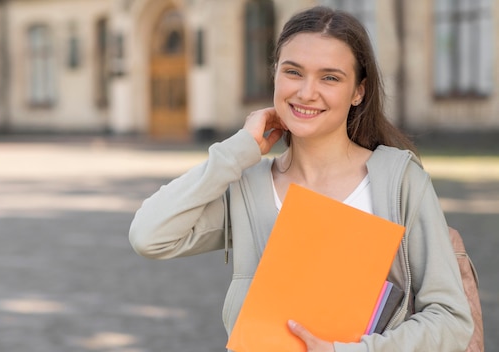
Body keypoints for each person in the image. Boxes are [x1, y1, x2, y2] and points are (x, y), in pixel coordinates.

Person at [129, 5, 473, 351]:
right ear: (274, 74)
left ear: (359, 92)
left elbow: (450, 319)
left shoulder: (399, 181)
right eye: (293, 72)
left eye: (330, 77)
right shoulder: (249, 186)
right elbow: (149, 236)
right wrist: (236, 152)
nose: (307, 93)